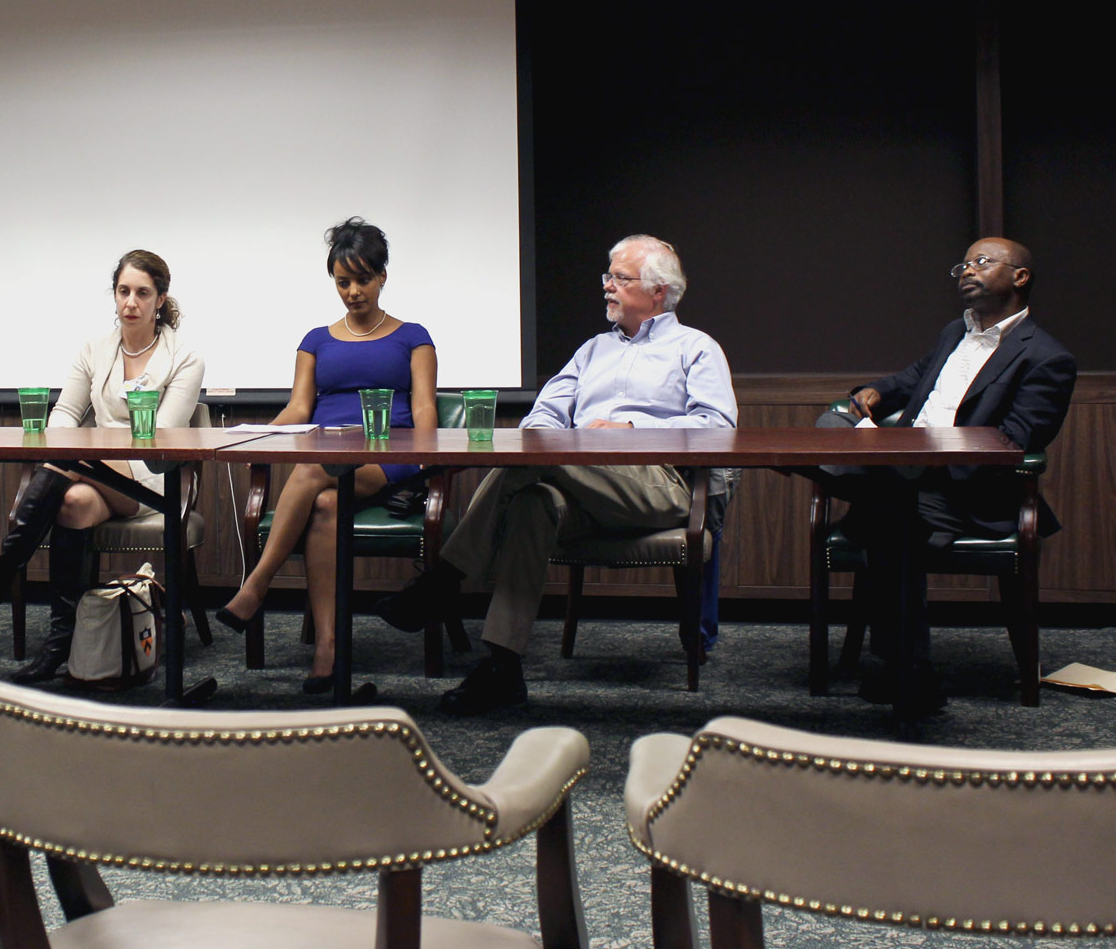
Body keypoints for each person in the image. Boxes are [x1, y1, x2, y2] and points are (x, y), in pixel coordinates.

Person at [379, 234, 736, 714]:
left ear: (658, 292)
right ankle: (503, 668)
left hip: (660, 486)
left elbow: (718, 427)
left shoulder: (695, 348)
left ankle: (444, 578)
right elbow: (542, 418)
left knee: (546, 457)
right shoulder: (592, 351)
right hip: (582, 483)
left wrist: (630, 427)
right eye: (607, 276)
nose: (607, 286)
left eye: (620, 278)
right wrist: (563, 437)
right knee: (532, 504)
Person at [814, 236, 1074, 715]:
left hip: (964, 491)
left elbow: (1010, 442)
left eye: (982, 262)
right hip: (905, 473)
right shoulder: (955, 332)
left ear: (1020, 277)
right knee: (835, 423)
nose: (967, 271)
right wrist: (875, 392)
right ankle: (910, 668)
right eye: (963, 263)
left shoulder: (1046, 358)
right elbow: (913, 379)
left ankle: (909, 668)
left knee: (887, 514)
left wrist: (921, 452)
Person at [0, 249, 206, 683]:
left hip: (148, 476)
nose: (131, 302)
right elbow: (64, 415)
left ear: (160, 299)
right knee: (71, 503)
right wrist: (76, 442)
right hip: (91, 471)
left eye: (142, 293)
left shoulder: (185, 357)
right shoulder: (94, 348)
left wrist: (85, 447)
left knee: (72, 460)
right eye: (123, 291)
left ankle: (3, 571)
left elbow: (159, 434)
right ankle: (60, 647)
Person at [215, 218, 438, 695]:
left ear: (382, 277)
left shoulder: (413, 336)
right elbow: (299, 407)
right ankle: (328, 649)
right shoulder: (316, 339)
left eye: (362, 279)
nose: (353, 291)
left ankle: (256, 585)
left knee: (312, 470)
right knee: (325, 505)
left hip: (388, 455)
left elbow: (422, 406)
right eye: (342, 282)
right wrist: (253, 436)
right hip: (328, 456)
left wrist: (423, 461)